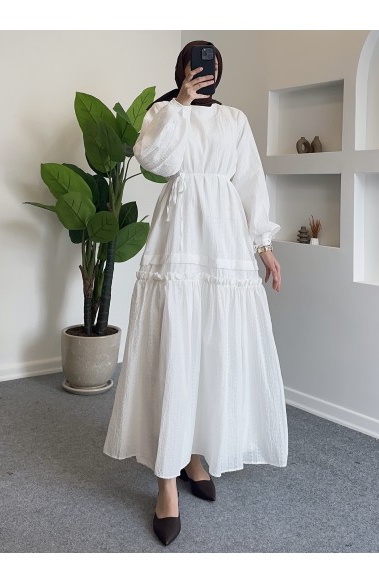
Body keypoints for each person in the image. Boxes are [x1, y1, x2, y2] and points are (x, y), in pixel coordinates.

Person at [103, 40, 288, 546]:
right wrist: (180, 103)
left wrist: (264, 246)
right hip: (180, 234)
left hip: (224, 238)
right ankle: (166, 478)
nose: (206, 69)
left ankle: (193, 454)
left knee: (213, 345)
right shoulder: (164, 113)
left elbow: (250, 181)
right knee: (175, 344)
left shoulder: (234, 119)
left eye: (212, 63)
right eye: (196, 63)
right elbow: (152, 158)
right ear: (183, 68)